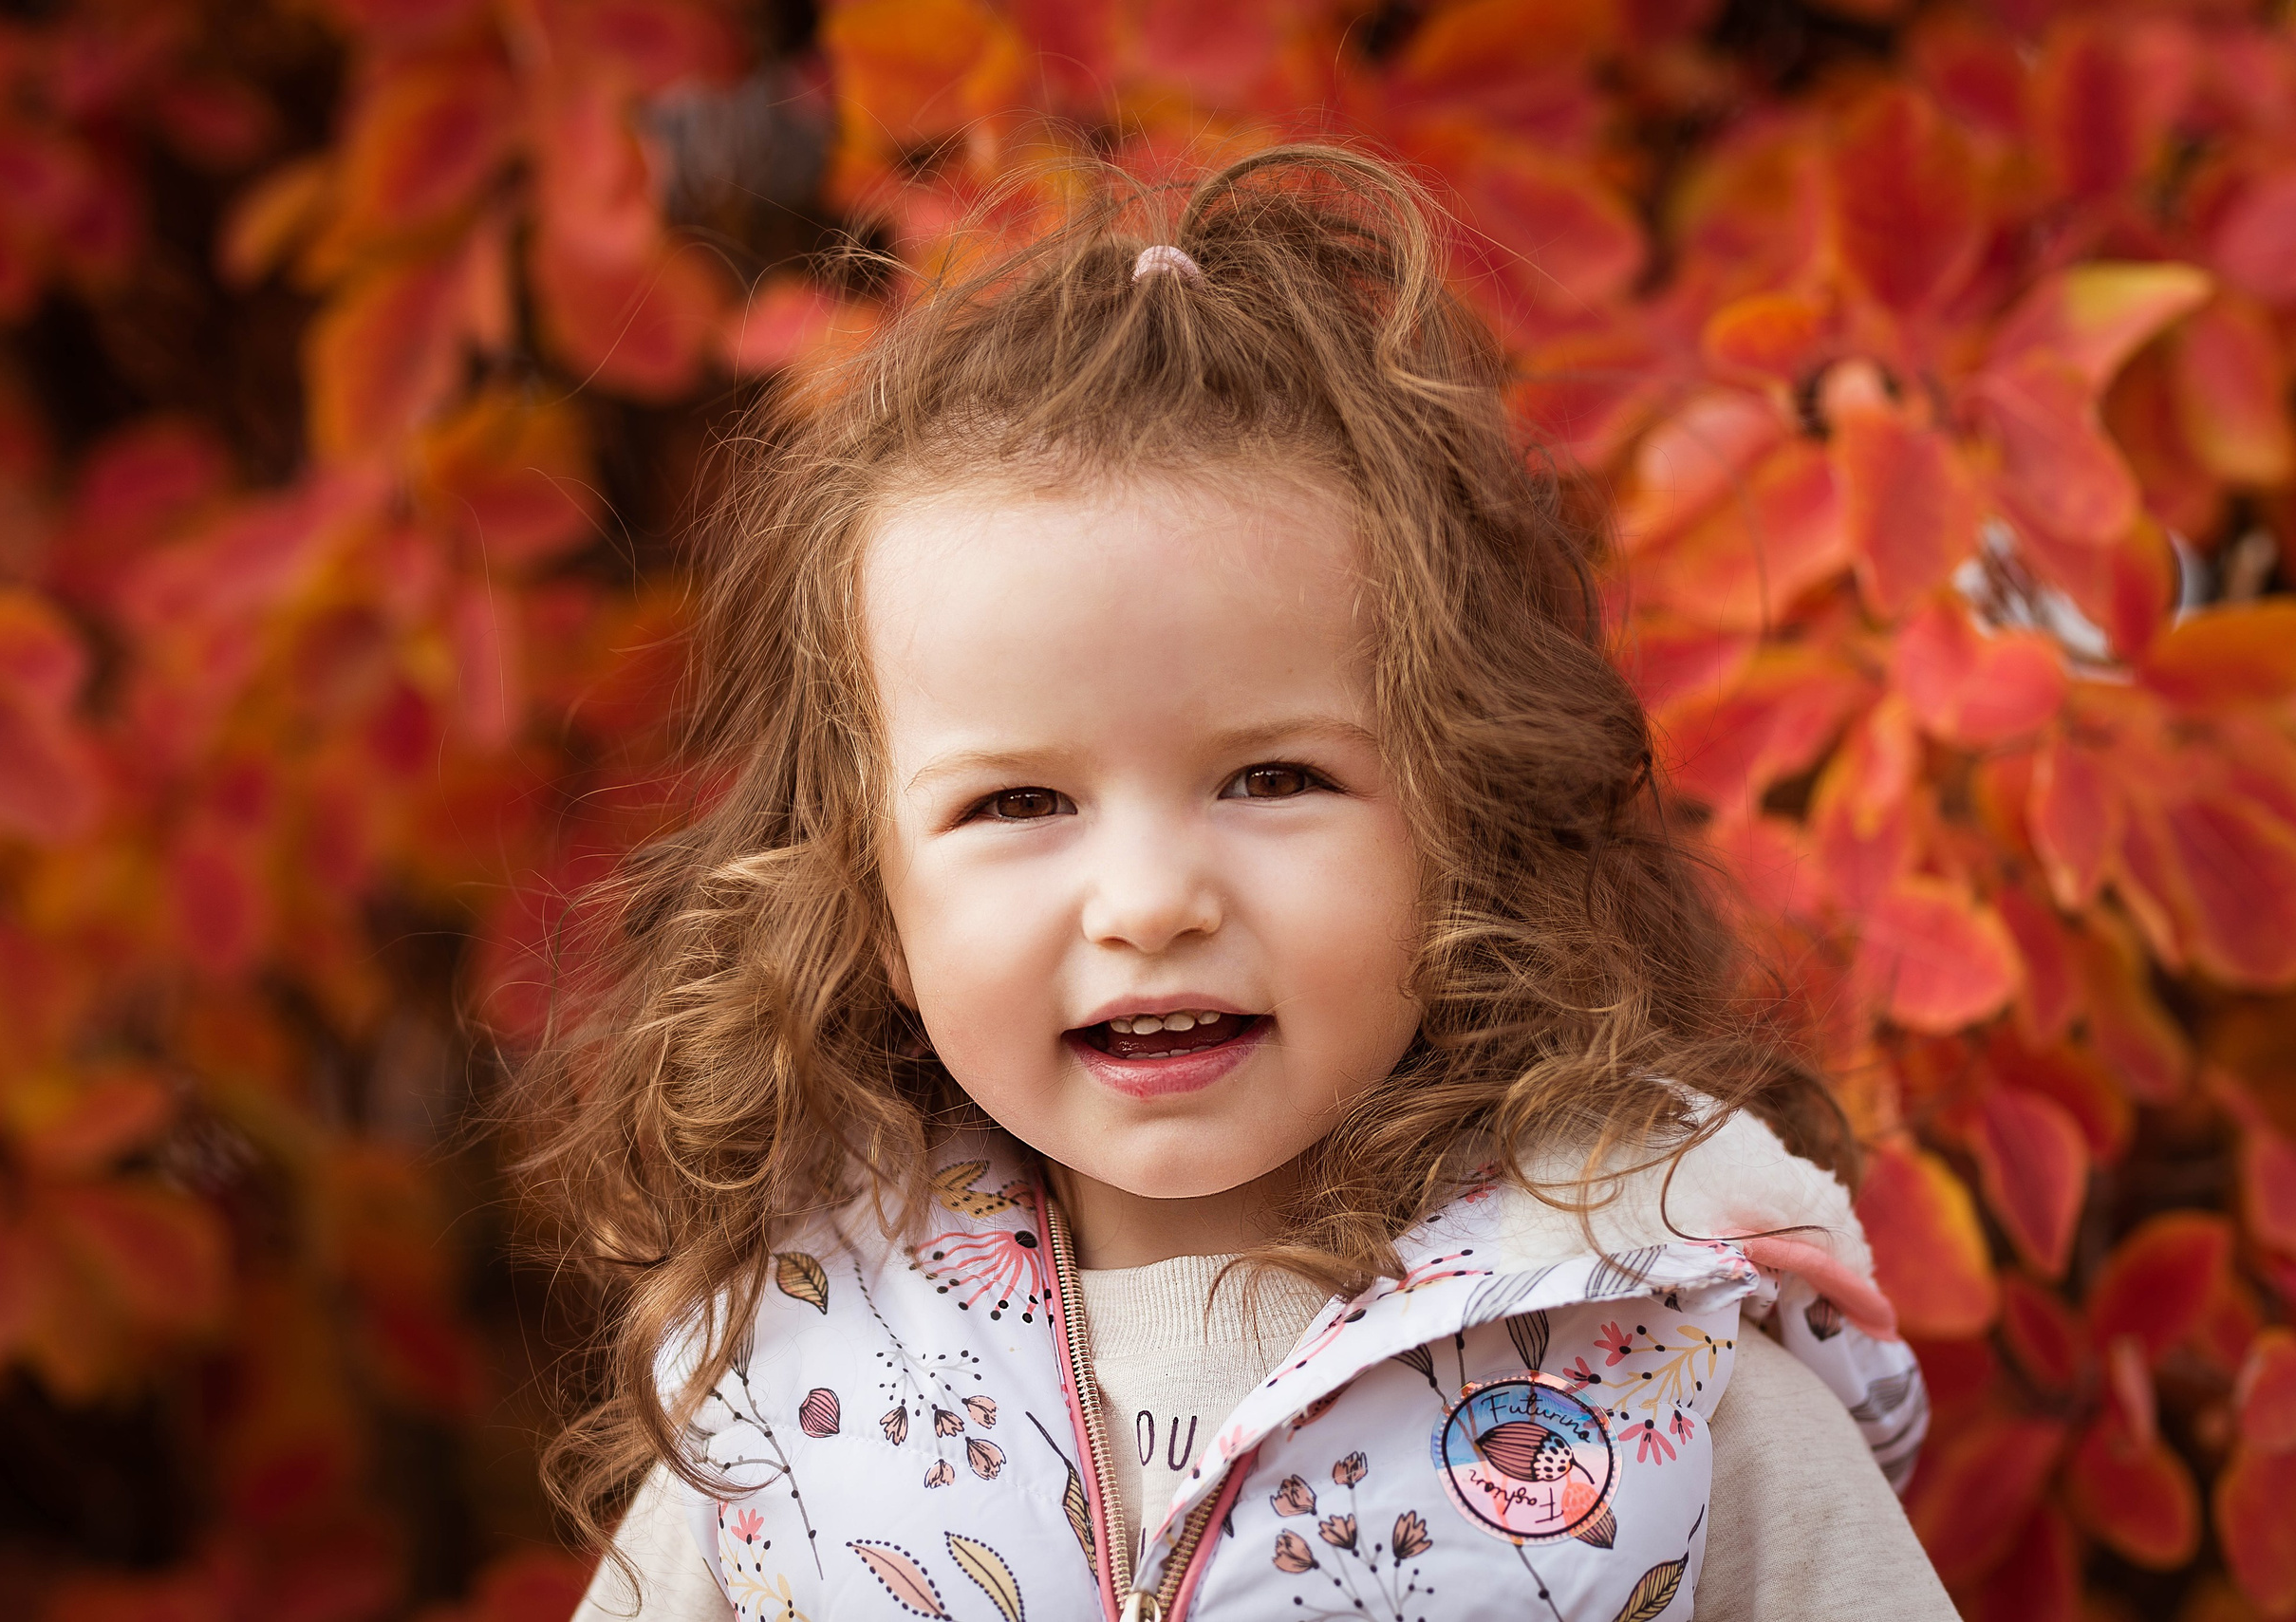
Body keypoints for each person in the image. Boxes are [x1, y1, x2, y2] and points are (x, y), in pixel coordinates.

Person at [530, 143, 1958, 1622]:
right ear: (869, 899)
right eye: (1019, 802)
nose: (1150, 902)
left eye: (1273, 779)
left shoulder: (1645, 1357)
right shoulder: (793, 1384)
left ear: (1464, 815)